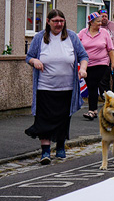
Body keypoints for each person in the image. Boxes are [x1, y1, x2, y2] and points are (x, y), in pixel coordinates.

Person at [25, 9, 89, 164]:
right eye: (55, 21)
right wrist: (35, 61)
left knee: (63, 119)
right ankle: (45, 152)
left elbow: (83, 55)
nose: (59, 24)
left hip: (67, 88)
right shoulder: (40, 37)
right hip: (45, 87)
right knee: (44, 119)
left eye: (61, 21)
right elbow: (29, 57)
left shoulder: (72, 36)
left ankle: (60, 147)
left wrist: (83, 69)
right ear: (48, 21)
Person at [78, 12, 114, 120]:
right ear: (90, 22)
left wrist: (113, 63)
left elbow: (110, 48)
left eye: (101, 21)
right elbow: (76, 45)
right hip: (86, 64)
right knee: (91, 86)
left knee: (93, 84)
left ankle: (92, 110)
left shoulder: (104, 33)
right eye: (98, 21)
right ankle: (94, 110)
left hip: (101, 63)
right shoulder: (83, 33)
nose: (100, 23)